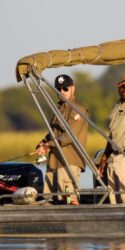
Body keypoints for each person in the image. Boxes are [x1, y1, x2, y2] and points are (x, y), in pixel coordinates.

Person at [36, 74, 89, 205]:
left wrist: (48, 145)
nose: (62, 92)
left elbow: (69, 136)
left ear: (73, 88)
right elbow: (53, 132)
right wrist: (43, 141)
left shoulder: (78, 109)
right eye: (58, 89)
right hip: (55, 161)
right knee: (51, 197)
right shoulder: (59, 108)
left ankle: (75, 217)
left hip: (69, 160)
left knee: (69, 197)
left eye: (65, 88)